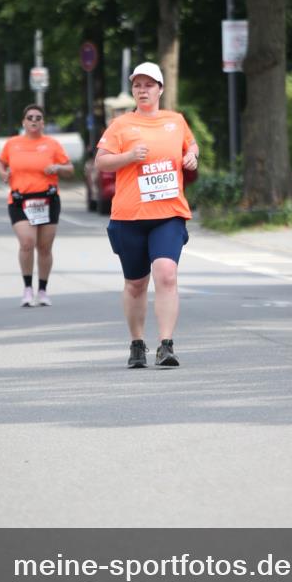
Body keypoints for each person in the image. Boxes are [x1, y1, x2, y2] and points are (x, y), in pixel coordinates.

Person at [95, 62, 199, 369]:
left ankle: (166, 345)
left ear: (160, 89)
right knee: (136, 284)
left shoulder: (175, 121)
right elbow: (101, 162)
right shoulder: (121, 125)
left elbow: (192, 145)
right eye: (137, 85)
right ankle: (137, 343)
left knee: (166, 274)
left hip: (168, 213)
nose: (143, 90)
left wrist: (192, 155)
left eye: (149, 85)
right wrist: (128, 157)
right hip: (130, 216)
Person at [0, 105, 74, 307]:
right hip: (20, 200)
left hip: (47, 199)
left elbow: (70, 169)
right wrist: (3, 173)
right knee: (27, 242)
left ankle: (42, 290)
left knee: (45, 247)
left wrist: (58, 167)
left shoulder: (52, 144)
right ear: (23, 122)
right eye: (30, 117)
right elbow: (0, 163)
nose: (34, 121)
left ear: (43, 123)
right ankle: (28, 288)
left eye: (38, 118)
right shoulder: (13, 143)